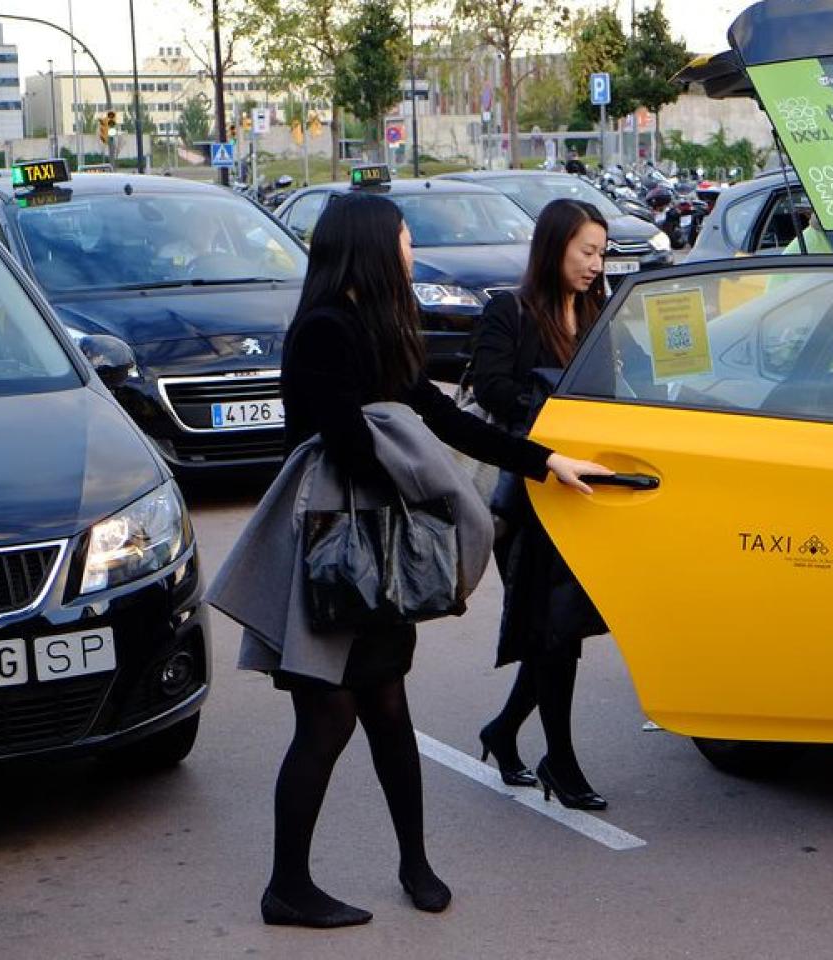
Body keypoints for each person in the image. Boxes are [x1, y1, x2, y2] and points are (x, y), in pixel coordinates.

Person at [258, 193, 607, 928]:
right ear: (373, 248)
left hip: (373, 551)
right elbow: (351, 442)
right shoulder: (325, 331)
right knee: (326, 720)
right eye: (406, 239)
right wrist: (427, 489)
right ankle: (287, 885)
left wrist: (544, 462)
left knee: (386, 705)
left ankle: (414, 863)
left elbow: (447, 418)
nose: (412, 251)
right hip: (330, 553)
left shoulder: (379, 330)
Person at [472, 199, 614, 810]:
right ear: (554, 247)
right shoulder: (509, 311)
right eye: (586, 250)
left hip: (584, 493)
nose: (595, 263)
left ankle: (504, 732)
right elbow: (491, 389)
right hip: (528, 495)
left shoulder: (599, 311)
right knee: (553, 629)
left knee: (559, 629)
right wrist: (553, 400)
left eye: (602, 252)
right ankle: (560, 760)